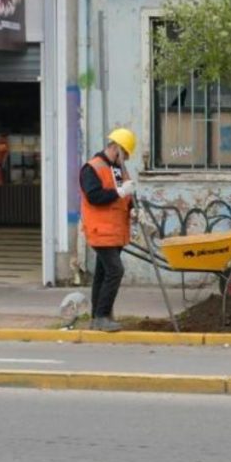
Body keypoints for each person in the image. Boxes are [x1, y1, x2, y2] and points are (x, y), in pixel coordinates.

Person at [79, 128, 137, 332]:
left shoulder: (118, 169)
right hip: (100, 230)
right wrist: (120, 191)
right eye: (126, 154)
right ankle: (102, 316)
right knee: (115, 271)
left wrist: (133, 210)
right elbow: (94, 196)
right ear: (117, 148)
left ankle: (98, 316)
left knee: (103, 274)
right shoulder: (92, 168)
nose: (127, 159)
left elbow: (125, 197)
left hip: (115, 231)